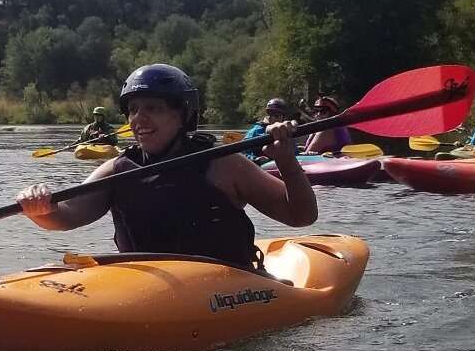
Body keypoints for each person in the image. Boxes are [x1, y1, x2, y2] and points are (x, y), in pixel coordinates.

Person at [17, 63, 317, 269]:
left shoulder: (223, 164)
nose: (138, 119)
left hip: (227, 285)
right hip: (146, 287)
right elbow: (67, 216)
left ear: (183, 116)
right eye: (133, 110)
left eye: (153, 108)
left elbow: (301, 216)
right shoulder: (117, 170)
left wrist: (287, 164)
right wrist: (42, 208)